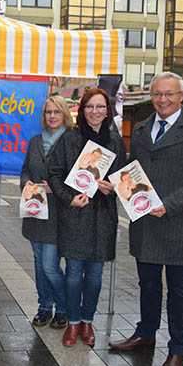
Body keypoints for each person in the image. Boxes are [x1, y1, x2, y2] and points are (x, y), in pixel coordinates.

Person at [109, 72, 183, 366]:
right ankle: (145, 334)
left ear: (182, 96)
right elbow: (135, 171)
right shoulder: (144, 128)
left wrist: (170, 204)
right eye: (157, 94)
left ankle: (178, 349)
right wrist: (118, 183)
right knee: (147, 285)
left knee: (179, 292)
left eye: (169, 94)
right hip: (146, 224)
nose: (162, 99)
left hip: (179, 224)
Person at [48, 87, 127, 347]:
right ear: (82, 110)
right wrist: (69, 197)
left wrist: (112, 187)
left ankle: (87, 321)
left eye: (100, 107)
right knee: (73, 273)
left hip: (103, 216)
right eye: (90, 107)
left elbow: (123, 179)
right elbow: (54, 174)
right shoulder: (70, 139)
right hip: (75, 214)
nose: (95, 112)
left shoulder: (116, 142)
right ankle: (72, 322)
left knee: (94, 276)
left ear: (108, 111)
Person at [20, 95, 74, 330]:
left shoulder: (73, 141)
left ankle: (63, 308)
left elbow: (81, 179)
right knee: (39, 262)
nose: (51, 116)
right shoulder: (34, 141)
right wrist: (26, 184)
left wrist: (57, 188)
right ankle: (44, 306)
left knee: (49, 266)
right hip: (35, 212)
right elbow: (25, 170)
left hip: (58, 214)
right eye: (48, 112)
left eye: (56, 112)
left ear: (64, 114)